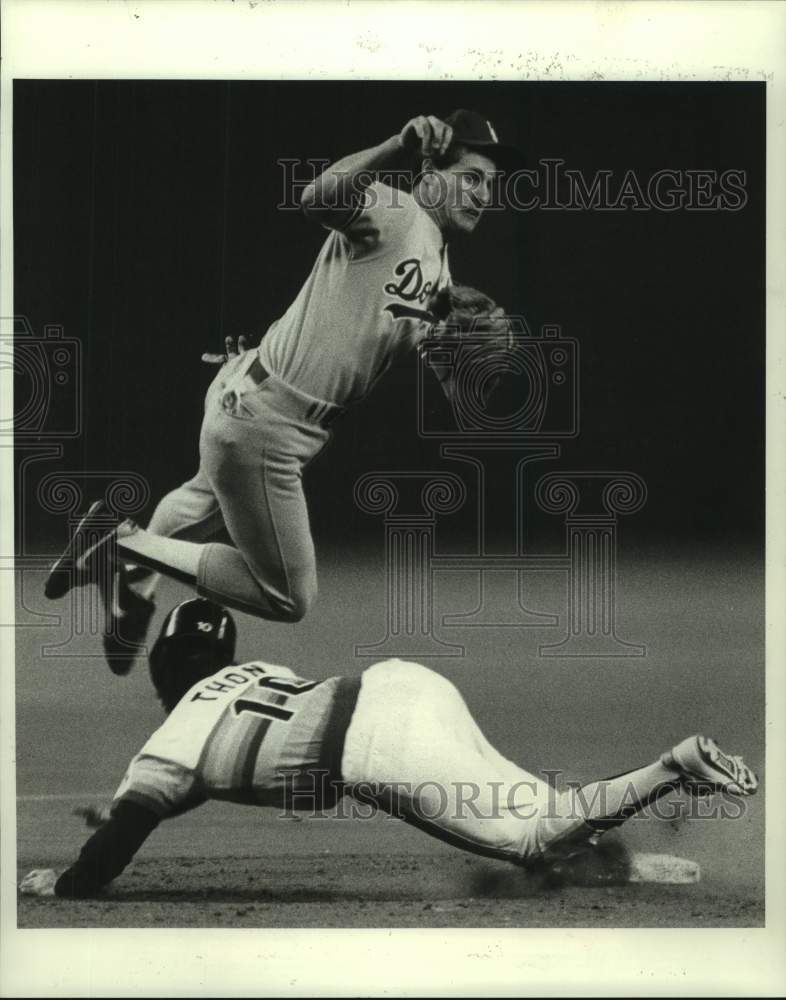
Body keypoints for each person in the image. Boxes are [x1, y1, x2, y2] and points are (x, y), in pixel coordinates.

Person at [44, 109, 523, 674]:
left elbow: (439, 371)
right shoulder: (397, 210)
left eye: (491, 183)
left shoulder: (440, 270)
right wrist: (396, 141)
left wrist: (467, 366)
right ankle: (121, 544)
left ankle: (133, 588)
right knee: (289, 597)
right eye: (471, 176)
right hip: (271, 424)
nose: (484, 193)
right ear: (431, 172)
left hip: (251, 395)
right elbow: (318, 198)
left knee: (201, 501)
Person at [20, 598, 758, 899]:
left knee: (535, 838)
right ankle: (628, 862)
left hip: (377, 745)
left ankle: (676, 764)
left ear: (165, 675)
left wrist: (66, 882)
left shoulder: (165, 741)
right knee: (537, 810)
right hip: (402, 685)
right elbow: (233, 761)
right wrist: (127, 808)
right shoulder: (256, 673)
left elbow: (115, 850)